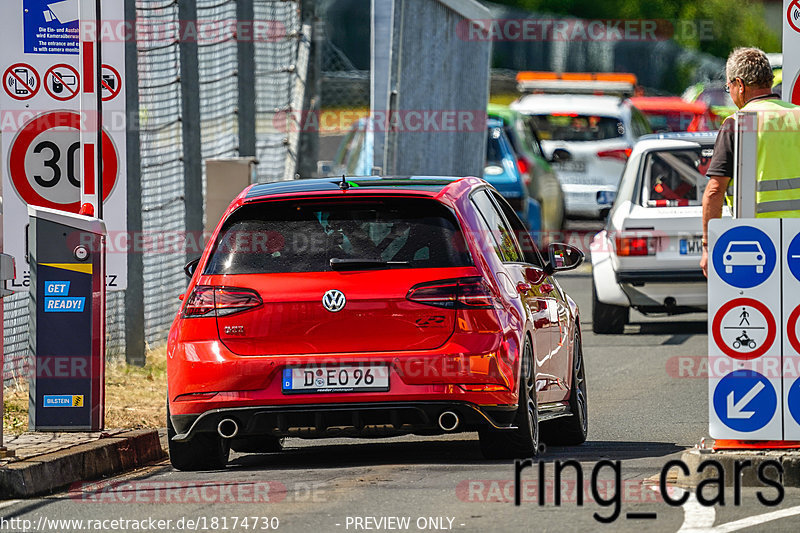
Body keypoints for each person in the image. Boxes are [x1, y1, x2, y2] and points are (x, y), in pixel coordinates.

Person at [700, 47, 798, 277]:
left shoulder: (738, 123)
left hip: (754, 237)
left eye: (729, 87)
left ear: (740, 85)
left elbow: (715, 191)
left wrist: (707, 247)